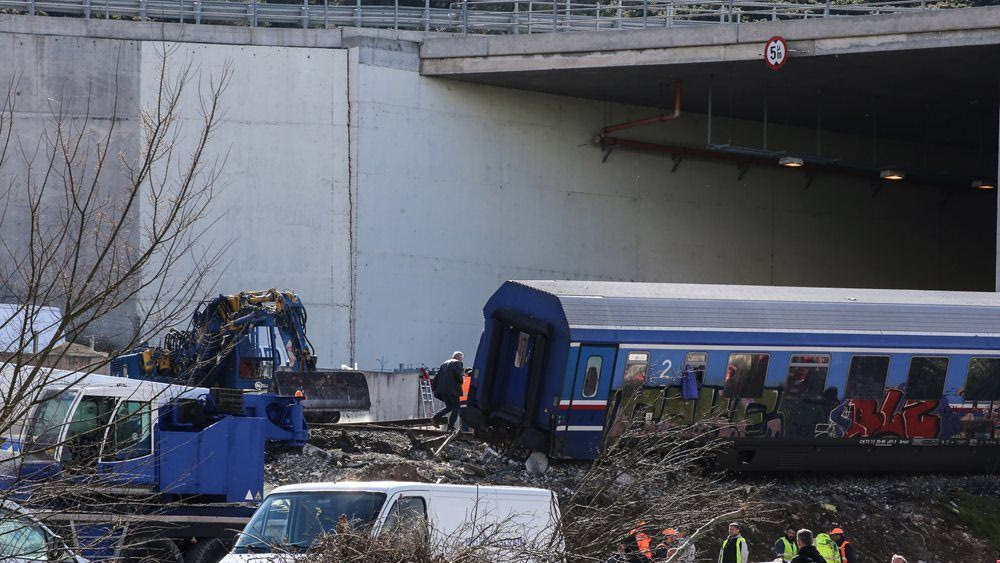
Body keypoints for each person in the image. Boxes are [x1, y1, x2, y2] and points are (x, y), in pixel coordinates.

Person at [432, 351, 464, 431]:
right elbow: (458, 375)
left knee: (449, 407)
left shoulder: (444, 364)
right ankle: (451, 427)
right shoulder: (457, 363)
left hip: (443, 390)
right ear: (458, 357)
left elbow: (436, 378)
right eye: (461, 359)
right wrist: (461, 381)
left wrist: (435, 388)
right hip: (452, 390)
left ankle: (435, 418)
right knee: (456, 408)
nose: (462, 361)